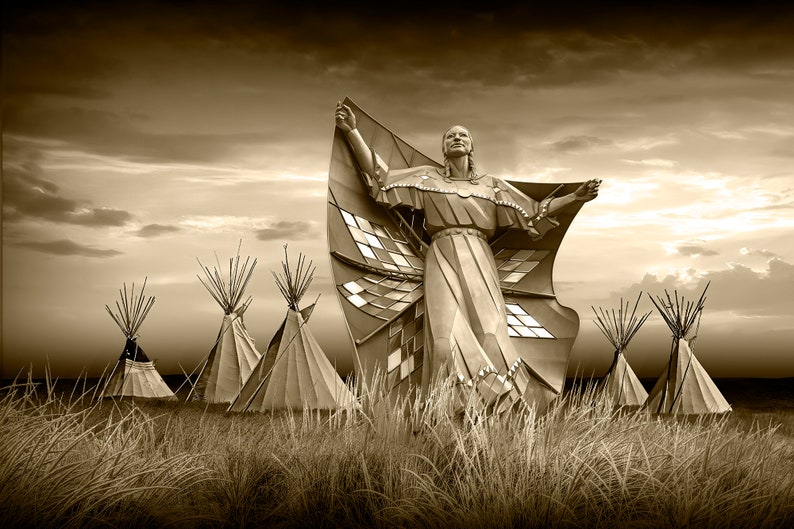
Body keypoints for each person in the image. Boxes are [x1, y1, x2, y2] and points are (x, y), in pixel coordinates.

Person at [335, 102, 600, 408]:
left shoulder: (492, 187)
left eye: (463, 135)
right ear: (444, 148)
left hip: (479, 257)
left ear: (472, 146)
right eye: (450, 136)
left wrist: (575, 196)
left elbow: (535, 213)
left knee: (490, 331)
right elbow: (381, 178)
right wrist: (352, 130)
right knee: (444, 339)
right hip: (442, 256)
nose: (457, 138)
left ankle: (502, 407)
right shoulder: (427, 179)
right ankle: (447, 408)